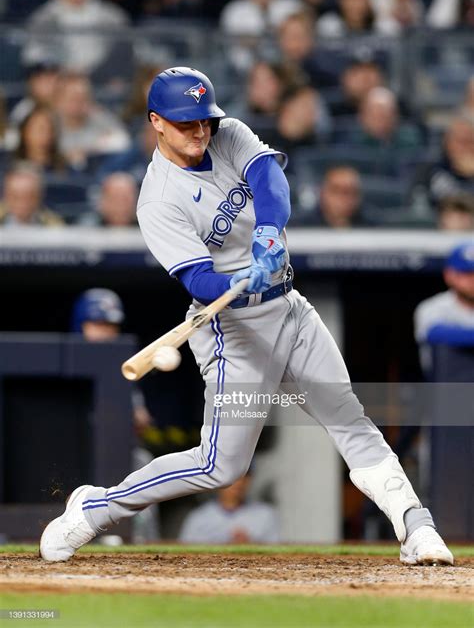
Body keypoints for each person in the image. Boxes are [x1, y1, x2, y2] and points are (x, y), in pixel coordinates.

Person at [40, 66, 453, 566]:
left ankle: (415, 525)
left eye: (203, 121)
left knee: (351, 421)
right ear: (157, 122)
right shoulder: (157, 199)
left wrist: (271, 232)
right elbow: (199, 282)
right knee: (220, 467)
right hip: (231, 331)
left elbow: (268, 176)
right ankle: (97, 506)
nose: (199, 131)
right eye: (186, 123)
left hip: (291, 309)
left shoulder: (225, 132)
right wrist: (237, 286)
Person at [71, 288, 159, 544]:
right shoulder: (69, 363)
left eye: (110, 325)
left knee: (142, 460)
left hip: (113, 455)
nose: (106, 332)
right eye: (98, 324)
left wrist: (138, 419)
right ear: (81, 325)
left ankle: (142, 540)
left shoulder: (124, 368)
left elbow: (139, 419)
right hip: (75, 454)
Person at [25, 0, 129, 73]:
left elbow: (123, 54)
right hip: (59, 80)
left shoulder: (112, 16)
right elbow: (34, 55)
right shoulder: (43, 17)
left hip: (102, 81)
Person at [414, 241, 474, 375]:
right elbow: (435, 333)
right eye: (466, 273)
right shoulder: (432, 307)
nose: (473, 280)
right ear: (449, 275)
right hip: (447, 387)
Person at [179, 471, 279, 544]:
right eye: (233, 477)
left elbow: (277, 555)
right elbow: (185, 556)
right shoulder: (198, 517)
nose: (238, 483)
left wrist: (251, 547)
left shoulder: (265, 514)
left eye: (244, 476)